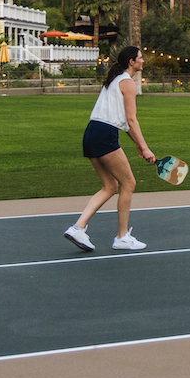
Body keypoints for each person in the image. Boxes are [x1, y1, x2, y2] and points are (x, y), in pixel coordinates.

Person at [65, 45, 155, 251]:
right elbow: (131, 120)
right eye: (140, 58)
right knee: (129, 183)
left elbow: (120, 121)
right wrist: (146, 148)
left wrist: (138, 146)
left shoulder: (114, 81)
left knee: (110, 186)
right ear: (131, 62)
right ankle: (122, 237)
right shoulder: (128, 83)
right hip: (104, 135)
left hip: (91, 133)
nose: (143, 61)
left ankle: (78, 228)